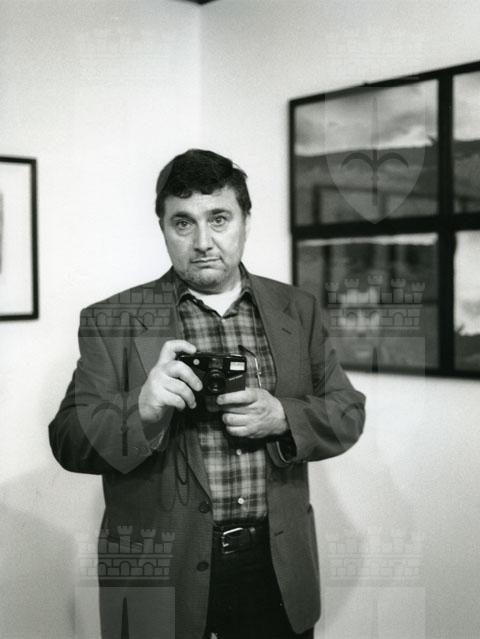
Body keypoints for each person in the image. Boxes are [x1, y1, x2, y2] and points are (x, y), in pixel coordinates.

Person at [49, 149, 366, 639]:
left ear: (245, 221)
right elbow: (68, 440)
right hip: (162, 576)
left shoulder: (297, 308)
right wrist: (143, 410)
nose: (202, 242)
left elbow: (347, 412)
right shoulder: (111, 320)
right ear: (162, 227)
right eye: (183, 223)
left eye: (219, 219)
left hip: (276, 571)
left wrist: (283, 416)